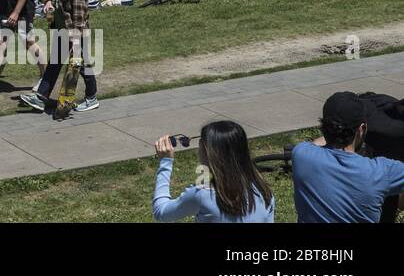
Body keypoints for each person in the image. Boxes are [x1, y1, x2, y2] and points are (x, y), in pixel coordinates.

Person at [292, 92, 404, 222]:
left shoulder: (301, 155)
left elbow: (316, 144)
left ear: (323, 127)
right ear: (361, 129)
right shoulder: (381, 172)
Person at [20, 0, 99, 114]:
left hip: (75, 33)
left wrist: (75, 41)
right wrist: (48, 1)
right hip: (62, 30)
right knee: (54, 64)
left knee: (82, 66)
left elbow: (79, 16)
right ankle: (41, 97)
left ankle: (91, 98)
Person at [151, 122, 274, 223]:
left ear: (210, 154)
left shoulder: (202, 194)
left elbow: (161, 212)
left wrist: (165, 162)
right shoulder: (264, 191)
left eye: (200, 143)